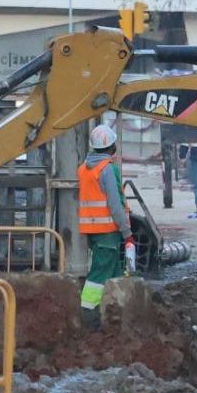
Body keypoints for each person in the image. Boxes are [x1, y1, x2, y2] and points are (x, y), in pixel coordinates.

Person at [78, 121, 134, 330]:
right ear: (113, 147)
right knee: (99, 275)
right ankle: (89, 317)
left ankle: (115, 313)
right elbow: (115, 204)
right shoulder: (107, 170)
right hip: (108, 231)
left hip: (93, 231)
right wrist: (126, 232)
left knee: (114, 272)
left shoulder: (84, 169)